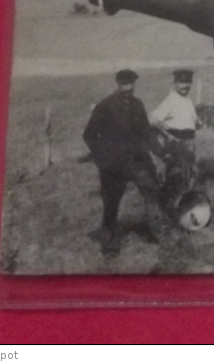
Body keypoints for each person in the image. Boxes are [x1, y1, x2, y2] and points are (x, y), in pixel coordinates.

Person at [82, 69, 164, 257]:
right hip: (113, 165)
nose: (128, 88)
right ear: (118, 84)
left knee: (152, 191)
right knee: (111, 203)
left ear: (134, 84)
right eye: (124, 84)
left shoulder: (138, 105)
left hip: (138, 162)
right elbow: (89, 136)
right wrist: (103, 159)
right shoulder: (105, 106)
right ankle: (110, 244)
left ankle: (159, 233)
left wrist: (161, 153)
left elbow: (147, 133)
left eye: (131, 83)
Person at [150, 69, 200, 203]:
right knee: (177, 176)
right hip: (177, 143)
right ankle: (173, 209)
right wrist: (167, 135)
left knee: (189, 175)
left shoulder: (186, 98)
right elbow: (153, 120)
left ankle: (185, 207)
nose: (185, 85)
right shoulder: (172, 99)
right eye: (181, 82)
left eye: (188, 82)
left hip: (189, 141)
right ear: (175, 83)